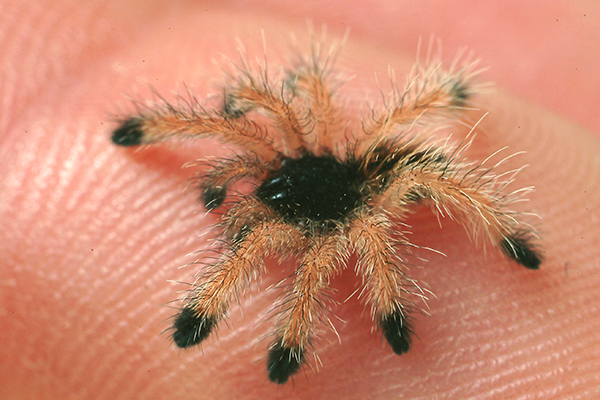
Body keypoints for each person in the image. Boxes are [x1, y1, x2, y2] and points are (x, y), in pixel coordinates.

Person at [1, 1, 599, 398]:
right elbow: (273, 97)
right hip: (339, 172)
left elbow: (341, 252)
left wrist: (362, 319)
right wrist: (234, 101)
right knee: (262, 130)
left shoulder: (329, 223)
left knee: (351, 235)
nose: (258, 187)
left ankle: (509, 234)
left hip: (365, 191)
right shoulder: (277, 154)